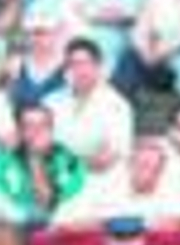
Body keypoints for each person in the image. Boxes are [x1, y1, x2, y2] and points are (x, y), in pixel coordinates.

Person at [43, 37, 135, 176]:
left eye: (85, 63)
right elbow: (38, 147)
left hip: (98, 181)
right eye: (73, 64)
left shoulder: (117, 106)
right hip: (54, 178)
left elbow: (106, 160)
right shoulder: (51, 101)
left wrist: (65, 163)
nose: (79, 70)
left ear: (98, 67)